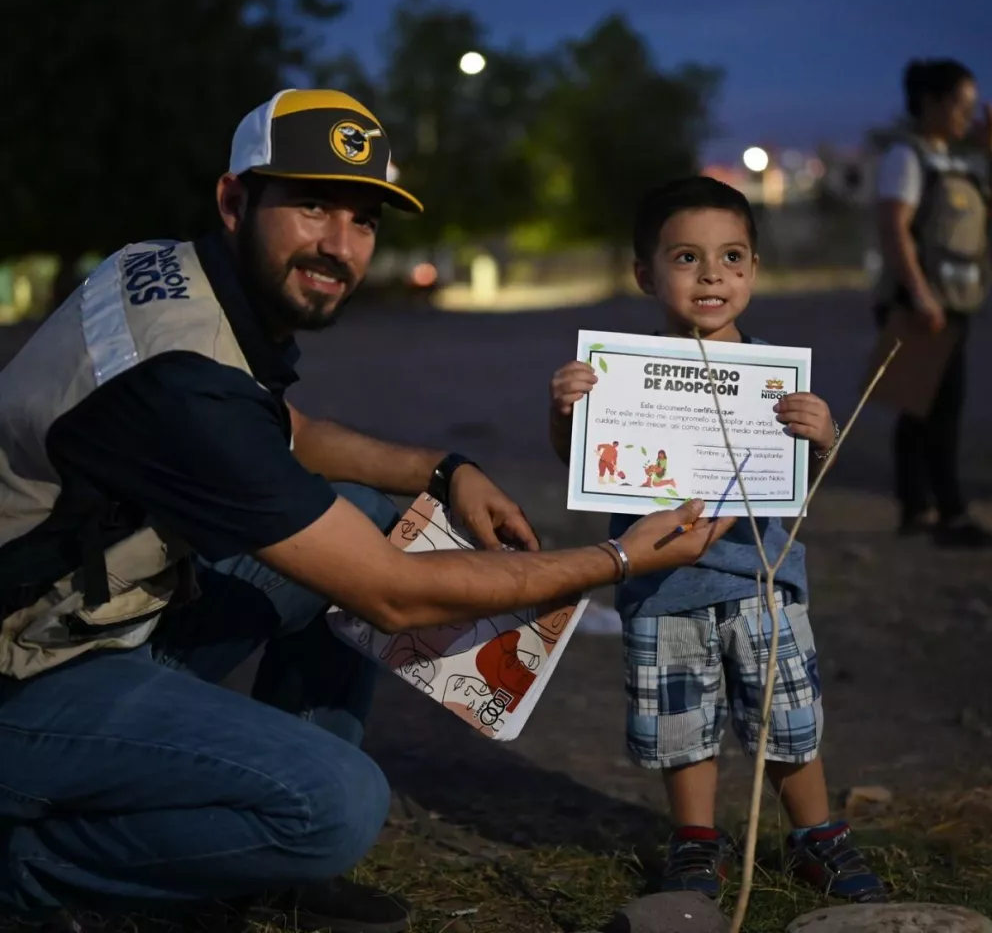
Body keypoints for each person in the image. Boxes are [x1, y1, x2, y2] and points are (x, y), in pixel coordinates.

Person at [0, 90, 735, 932]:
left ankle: (250, 861)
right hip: (28, 674)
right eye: (312, 204)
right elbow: (392, 595)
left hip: (74, 611)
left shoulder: (168, 269)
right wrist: (619, 560)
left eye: (363, 218)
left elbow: (287, 432)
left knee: (359, 510)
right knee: (337, 806)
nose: (339, 246)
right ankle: (34, 876)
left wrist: (443, 466)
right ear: (235, 200)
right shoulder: (181, 378)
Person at [548, 177, 886, 903]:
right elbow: (579, 458)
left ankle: (816, 836)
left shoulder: (774, 378)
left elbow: (804, 481)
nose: (712, 275)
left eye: (732, 256)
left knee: (788, 719)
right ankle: (697, 842)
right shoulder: (622, 378)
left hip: (763, 581)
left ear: (754, 269)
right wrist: (570, 410)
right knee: (681, 726)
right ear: (645, 273)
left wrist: (822, 436)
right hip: (662, 585)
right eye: (686, 258)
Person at [874, 58, 992, 547]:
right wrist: (920, 294)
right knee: (932, 406)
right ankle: (949, 513)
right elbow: (893, 227)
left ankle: (917, 508)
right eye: (961, 103)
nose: (969, 113)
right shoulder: (906, 157)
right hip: (921, 301)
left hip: (952, 300)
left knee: (924, 407)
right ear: (932, 103)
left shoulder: (960, 161)